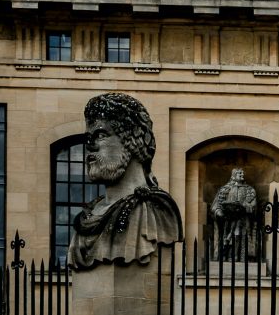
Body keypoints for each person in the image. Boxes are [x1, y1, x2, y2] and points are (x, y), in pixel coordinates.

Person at [69, 93, 183, 269]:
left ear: (133, 139)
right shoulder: (90, 214)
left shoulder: (154, 210)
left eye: (100, 135)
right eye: (88, 138)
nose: (90, 146)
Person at [209, 168, 260, 262]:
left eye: (242, 173)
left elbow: (253, 206)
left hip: (243, 219)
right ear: (233, 175)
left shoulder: (250, 190)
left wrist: (244, 206)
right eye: (239, 173)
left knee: (240, 236)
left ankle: (242, 257)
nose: (242, 175)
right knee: (228, 238)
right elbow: (215, 206)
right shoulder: (225, 189)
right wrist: (220, 213)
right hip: (227, 220)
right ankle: (228, 256)